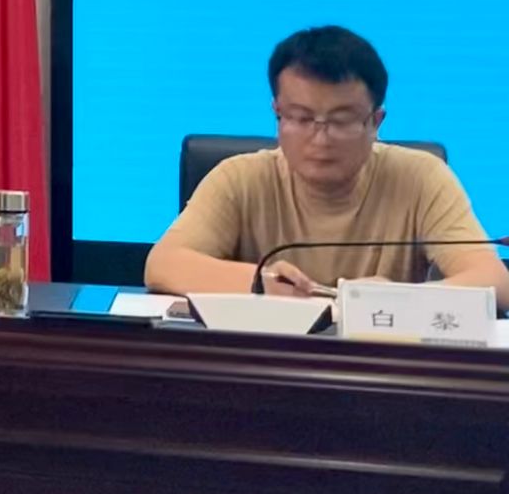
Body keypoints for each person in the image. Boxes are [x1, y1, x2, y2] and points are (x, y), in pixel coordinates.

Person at [146, 26, 509, 309]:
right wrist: (260, 282)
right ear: (277, 114)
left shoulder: (421, 178)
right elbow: (163, 264)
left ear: (375, 122)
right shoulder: (240, 178)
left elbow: (495, 281)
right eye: (301, 118)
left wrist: (399, 298)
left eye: (341, 120)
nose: (320, 139)